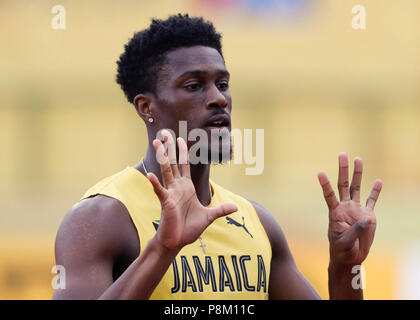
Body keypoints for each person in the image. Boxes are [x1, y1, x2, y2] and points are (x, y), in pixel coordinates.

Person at [53, 14, 382, 300]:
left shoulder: (257, 223)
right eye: (194, 86)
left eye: (222, 84)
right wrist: (163, 248)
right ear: (146, 107)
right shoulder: (100, 218)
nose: (217, 99)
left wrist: (344, 268)